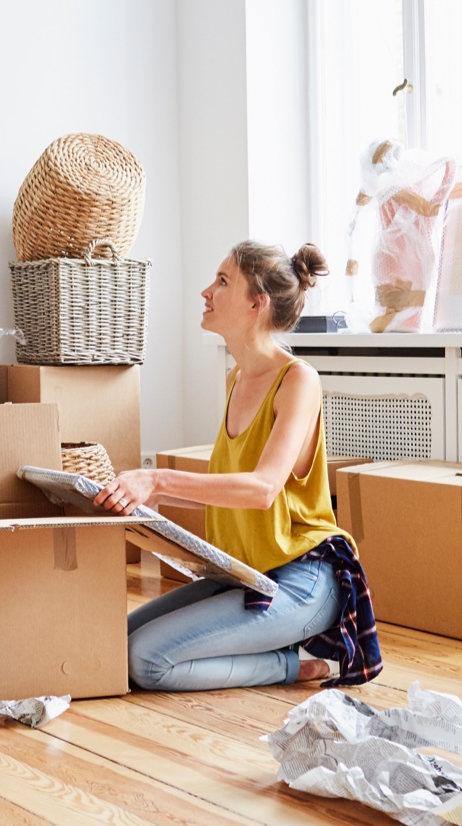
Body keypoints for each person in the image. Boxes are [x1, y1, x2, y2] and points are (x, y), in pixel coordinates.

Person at [95, 242, 381, 690]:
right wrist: (135, 495)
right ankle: (269, 646)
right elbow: (227, 484)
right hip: (245, 572)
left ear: (257, 302)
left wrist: (157, 477)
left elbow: (262, 488)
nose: (206, 292)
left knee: (145, 660)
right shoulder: (236, 379)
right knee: (115, 639)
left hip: (301, 580)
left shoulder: (297, 380)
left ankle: (292, 664)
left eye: (223, 281)